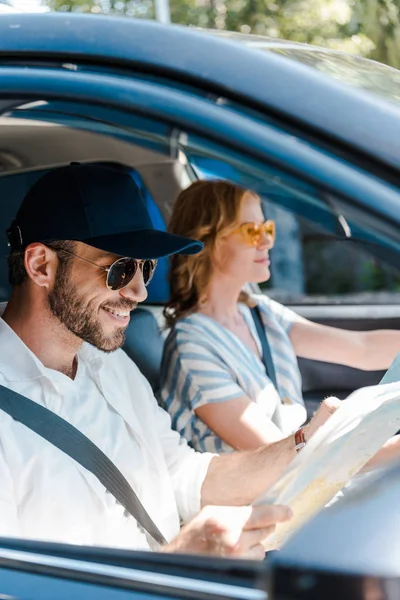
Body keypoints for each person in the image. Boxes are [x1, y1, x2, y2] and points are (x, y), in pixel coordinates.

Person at [0, 163, 342, 559]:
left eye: (147, 267)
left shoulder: (108, 364)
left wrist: (305, 444)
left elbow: (185, 476)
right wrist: (182, 559)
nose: (141, 291)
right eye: (120, 269)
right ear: (41, 265)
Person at [159, 179, 400, 454]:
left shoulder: (259, 312)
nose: (266, 242)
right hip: (266, 491)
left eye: (267, 229)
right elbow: (278, 455)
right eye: (251, 231)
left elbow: (363, 349)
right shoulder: (192, 349)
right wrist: (391, 450)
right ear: (206, 241)